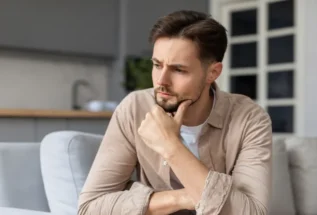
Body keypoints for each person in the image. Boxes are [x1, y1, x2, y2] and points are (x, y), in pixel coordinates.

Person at [78, 10, 272, 215]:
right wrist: (185, 197)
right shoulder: (134, 109)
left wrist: (170, 145)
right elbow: (90, 207)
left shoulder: (250, 118)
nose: (161, 81)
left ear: (213, 73)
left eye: (179, 70)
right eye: (157, 65)